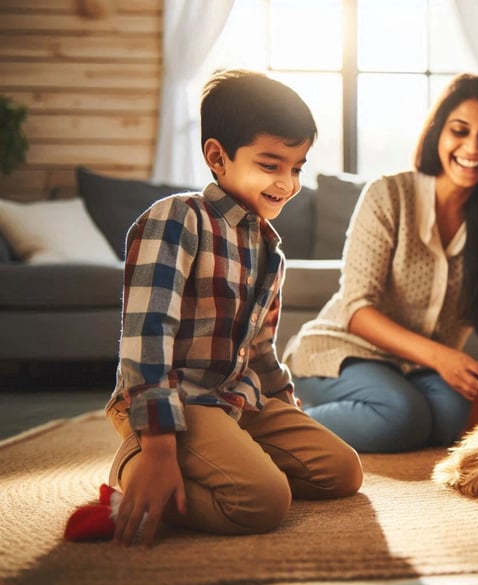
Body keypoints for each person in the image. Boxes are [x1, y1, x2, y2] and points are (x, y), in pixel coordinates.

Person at [104, 70, 363, 547]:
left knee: (342, 472)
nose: (287, 183)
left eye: (297, 167)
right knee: (264, 502)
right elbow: (147, 336)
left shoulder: (270, 248)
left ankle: (216, 457)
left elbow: (260, 349)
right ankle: (134, 475)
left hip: (233, 398)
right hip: (174, 398)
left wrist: (286, 408)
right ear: (217, 157)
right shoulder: (177, 219)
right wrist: (160, 445)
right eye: (271, 165)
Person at [283, 74, 478, 453]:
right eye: (460, 130)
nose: (472, 147)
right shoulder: (389, 195)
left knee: (459, 415)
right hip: (340, 351)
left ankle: (365, 411)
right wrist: (443, 358)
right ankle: (274, 424)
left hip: (416, 371)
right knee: (400, 415)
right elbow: (357, 309)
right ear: (439, 133)